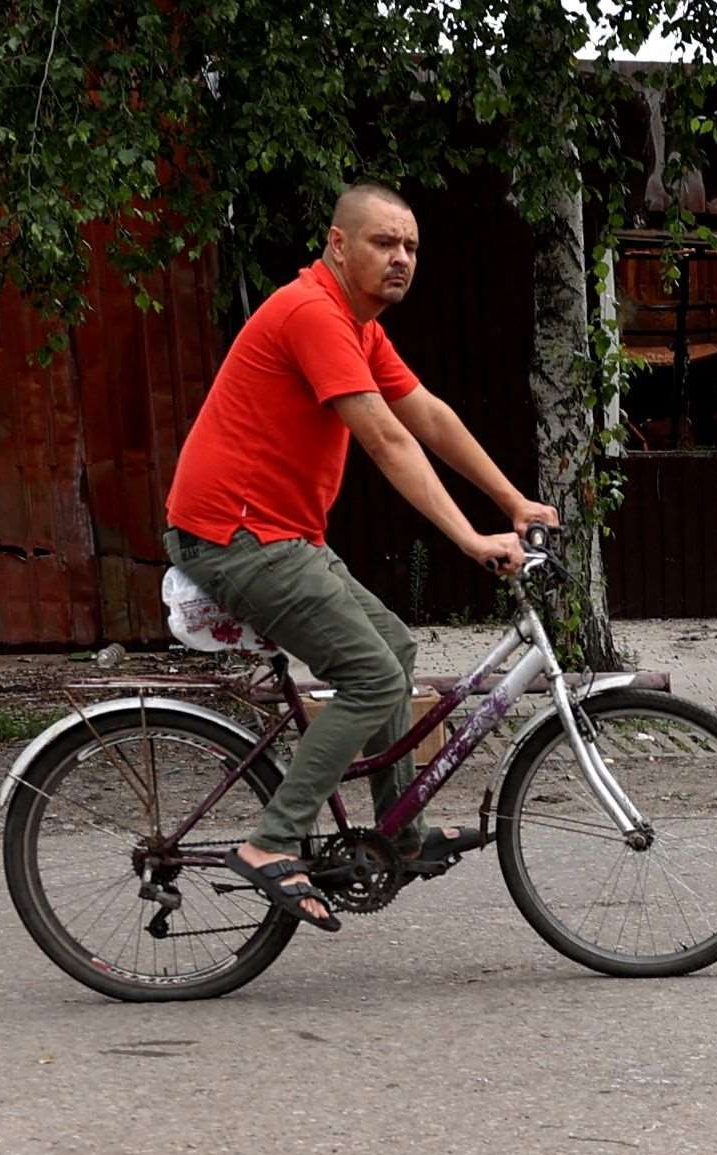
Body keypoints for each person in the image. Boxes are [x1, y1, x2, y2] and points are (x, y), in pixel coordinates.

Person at [164, 180, 555, 927]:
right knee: (371, 678)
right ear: (337, 245)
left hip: (280, 535)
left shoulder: (355, 323)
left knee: (394, 650)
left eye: (410, 246)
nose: (401, 257)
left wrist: (513, 501)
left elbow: (428, 415)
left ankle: (397, 833)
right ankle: (270, 843)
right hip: (238, 535)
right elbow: (384, 437)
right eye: (384, 242)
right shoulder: (313, 312)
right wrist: (471, 538)